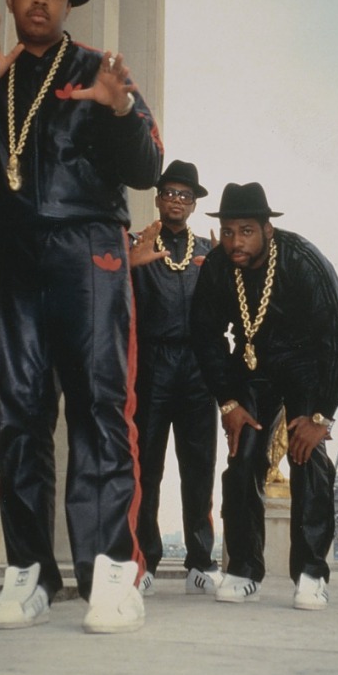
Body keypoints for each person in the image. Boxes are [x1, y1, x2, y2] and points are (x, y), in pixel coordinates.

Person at [0, 0, 163, 634]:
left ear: (68, 5)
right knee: (21, 415)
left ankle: (113, 573)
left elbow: (149, 167)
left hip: (89, 249)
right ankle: (29, 570)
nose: (41, 0)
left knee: (98, 407)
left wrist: (119, 112)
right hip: (15, 259)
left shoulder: (98, 70)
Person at [190, 182, 338, 609]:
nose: (234, 242)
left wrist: (321, 416)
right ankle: (244, 569)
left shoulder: (303, 261)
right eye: (227, 231)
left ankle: (311, 573)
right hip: (252, 367)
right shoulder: (218, 268)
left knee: (307, 457)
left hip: (306, 367)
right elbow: (205, 337)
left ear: (267, 228)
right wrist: (228, 402)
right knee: (242, 456)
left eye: (245, 231)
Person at [130, 160, 222, 597]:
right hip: (153, 362)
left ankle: (200, 562)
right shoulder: (138, 244)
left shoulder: (209, 250)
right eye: (170, 193)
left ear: (194, 203)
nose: (177, 201)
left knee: (199, 468)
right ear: (158, 197)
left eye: (186, 195)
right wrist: (130, 263)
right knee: (147, 467)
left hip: (198, 367)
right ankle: (143, 559)